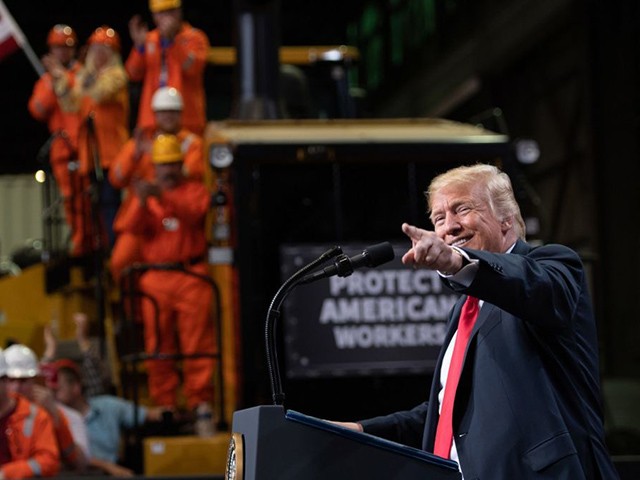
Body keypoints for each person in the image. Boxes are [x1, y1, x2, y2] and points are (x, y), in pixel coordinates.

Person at [334, 164, 619, 479]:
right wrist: (360, 430)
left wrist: (457, 262)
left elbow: (530, 285)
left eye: (462, 209)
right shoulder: (464, 309)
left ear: (506, 217)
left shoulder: (552, 265)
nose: (449, 227)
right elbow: (446, 415)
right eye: (439, 218)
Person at [116, 134, 215, 436]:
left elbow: (195, 212)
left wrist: (163, 195)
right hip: (156, 278)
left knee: (197, 344)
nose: (167, 170)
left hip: (191, 275)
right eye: (162, 165)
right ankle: (166, 407)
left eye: (172, 164)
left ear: (181, 164)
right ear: (154, 166)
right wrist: (142, 201)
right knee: (158, 347)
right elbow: (128, 228)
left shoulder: (195, 191)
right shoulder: (146, 197)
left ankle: (201, 405)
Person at [109, 86, 205, 282]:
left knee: (176, 258)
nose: (168, 116)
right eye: (163, 112)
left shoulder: (192, 143)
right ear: (155, 114)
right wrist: (134, 156)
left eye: (172, 112)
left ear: (180, 114)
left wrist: (154, 151)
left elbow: (192, 173)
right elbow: (116, 179)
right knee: (120, 262)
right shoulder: (138, 143)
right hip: (143, 211)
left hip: (177, 209)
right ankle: (131, 308)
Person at [56, 25, 129, 250]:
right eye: (96, 49)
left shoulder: (116, 75)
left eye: (105, 49)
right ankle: (102, 255)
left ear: (113, 53)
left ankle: (115, 253)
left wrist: (80, 80)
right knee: (93, 208)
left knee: (110, 206)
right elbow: (70, 104)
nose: (99, 54)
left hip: (111, 154)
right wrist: (61, 80)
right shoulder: (86, 78)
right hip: (91, 156)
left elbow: (100, 93)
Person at [28, 24, 88, 256]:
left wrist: (61, 78)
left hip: (85, 146)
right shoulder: (46, 81)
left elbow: (83, 97)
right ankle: (79, 245)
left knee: (89, 201)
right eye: (57, 48)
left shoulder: (82, 74)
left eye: (66, 47)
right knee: (70, 201)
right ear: (51, 50)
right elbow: (37, 109)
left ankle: (91, 245)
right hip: (62, 148)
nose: (62, 52)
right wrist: (52, 82)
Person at [52, 359, 164, 477]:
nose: (52, 395)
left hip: (113, 472)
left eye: (57, 390)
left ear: (75, 387)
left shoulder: (107, 406)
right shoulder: (53, 418)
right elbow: (73, 458)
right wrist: (108, 466)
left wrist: (168, 413)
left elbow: (147, 414)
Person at [126, 0, 210, 135]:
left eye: (170, 11)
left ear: (179, 12)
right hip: (152, 122)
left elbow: (193, 68)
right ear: (154, 15)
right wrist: (139, 47)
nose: (166, 17)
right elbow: (132, 74)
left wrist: (172, 41)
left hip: (186, 121)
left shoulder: (195, 37)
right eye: (160, 13)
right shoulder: (149, 39)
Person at [3, 344, 88, 473]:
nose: (16, 388)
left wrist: (56, 417)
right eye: (11, 380)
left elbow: (80, 464)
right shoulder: (6, 412)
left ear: (36, 381)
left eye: (23, 381)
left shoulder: (60, 415)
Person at [0, 348, 60, 479]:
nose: (17, 387)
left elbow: (49, 460)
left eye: (23, 381)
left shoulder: (37, 415)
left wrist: (7, 473)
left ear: (4, 380)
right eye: (14, 380)